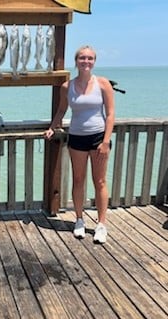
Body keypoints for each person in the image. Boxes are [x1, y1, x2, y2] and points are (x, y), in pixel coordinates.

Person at [44, 45, 115, 244]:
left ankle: (101, 224)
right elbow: (61, 111)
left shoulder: (103, 84)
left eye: (90, 58)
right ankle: (79, 220)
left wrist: (106, 141)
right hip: (76, 137)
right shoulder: (68, 87)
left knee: (99, 181)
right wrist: (52, 127)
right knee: (78, 180)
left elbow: (110, 115)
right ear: (76, 61)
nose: (86, 61)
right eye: (82, 58)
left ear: (94, 61)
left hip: (99, 137)